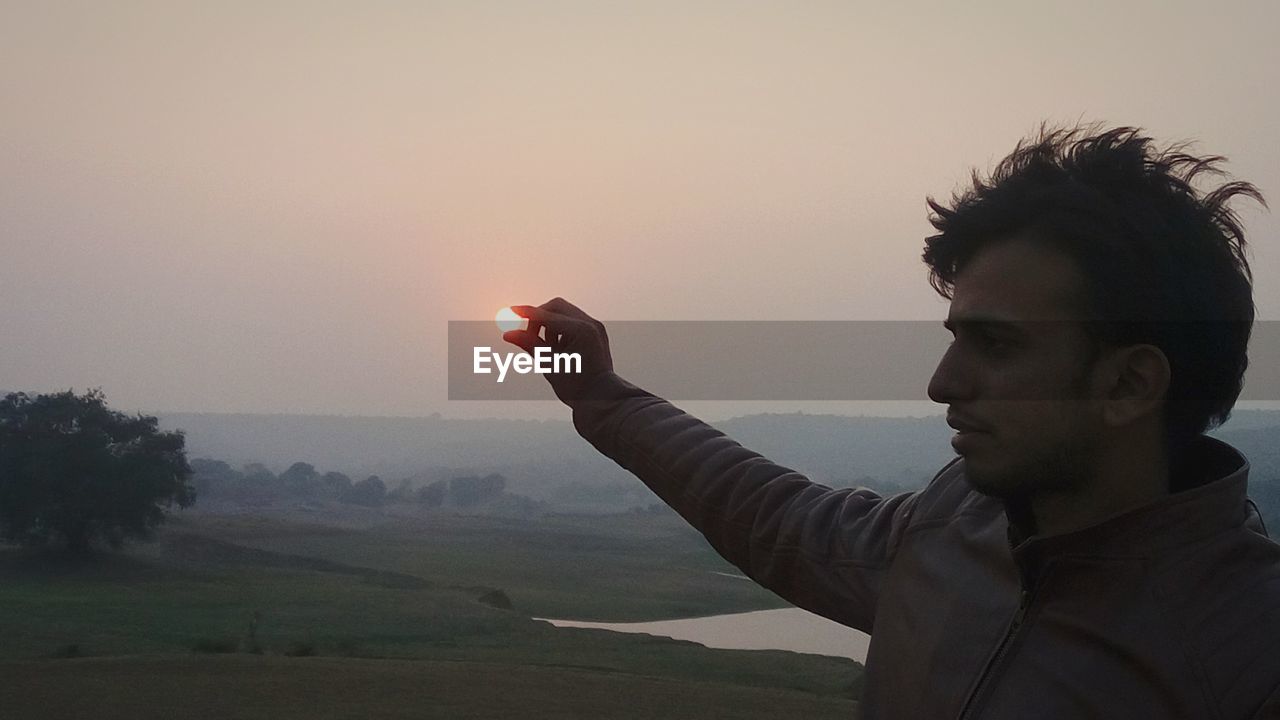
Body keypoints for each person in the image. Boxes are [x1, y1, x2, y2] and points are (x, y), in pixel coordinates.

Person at [501, 125, 1280, 719]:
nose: (943, 385)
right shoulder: (953, 525)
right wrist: (599, 395)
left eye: (996, 345)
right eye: (954, 338)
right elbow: (776, 517)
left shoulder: (1249, 649)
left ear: (1130, 382)